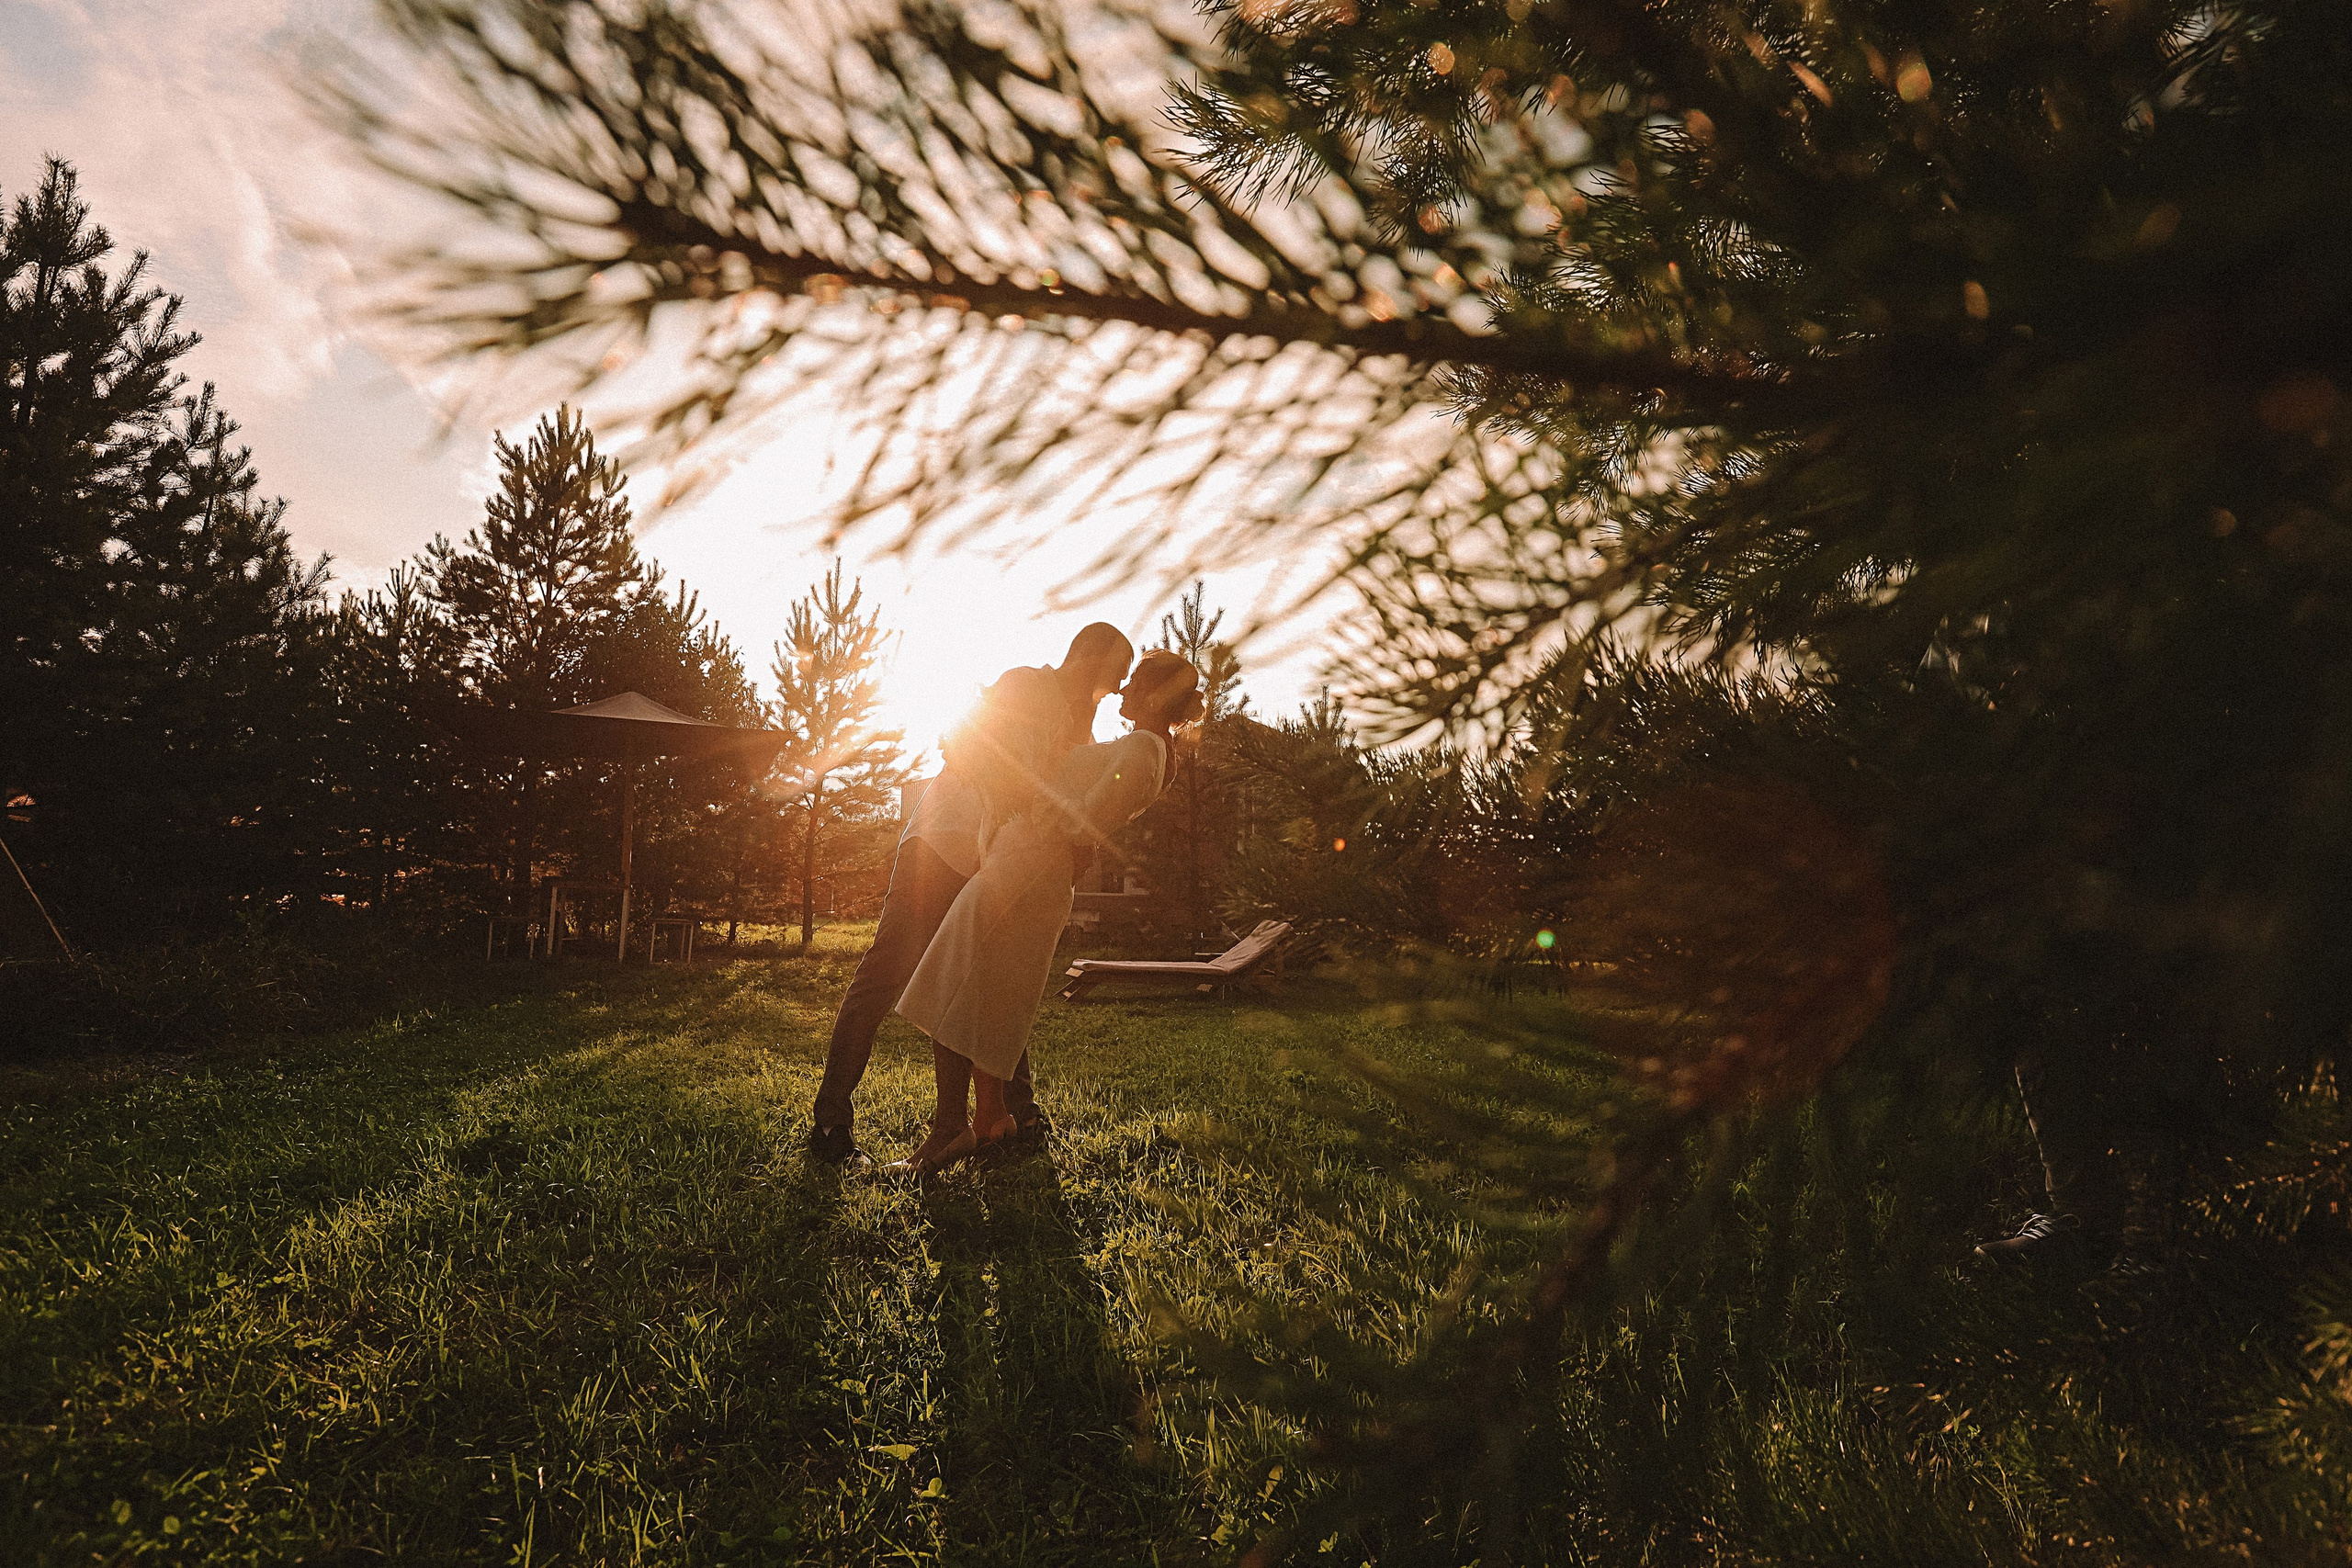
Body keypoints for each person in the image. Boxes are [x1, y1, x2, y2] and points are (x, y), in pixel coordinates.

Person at [805, 623, 1135, 1168]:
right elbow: (982, 755)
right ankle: (830, 1121)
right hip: (941, 841)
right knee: (888, 972)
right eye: (1116, 674)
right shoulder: (1026, 685)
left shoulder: (1082, 730)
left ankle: (1013, 1113)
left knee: (998, 974)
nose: (1117, 689)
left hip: (993, 859)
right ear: (1089, 658)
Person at [891, 650, 1205, 1171]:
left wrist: (1030, 798)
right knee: (988, 991)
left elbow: (1087, 822)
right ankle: (991, 1118)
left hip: (1030, 869)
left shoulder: (1144, 749)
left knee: (952, 980)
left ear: (1154, 696)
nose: (1123, 687)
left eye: (1133, 680)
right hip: (1023, 864)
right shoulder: (1142, 746)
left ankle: (950, 1128)